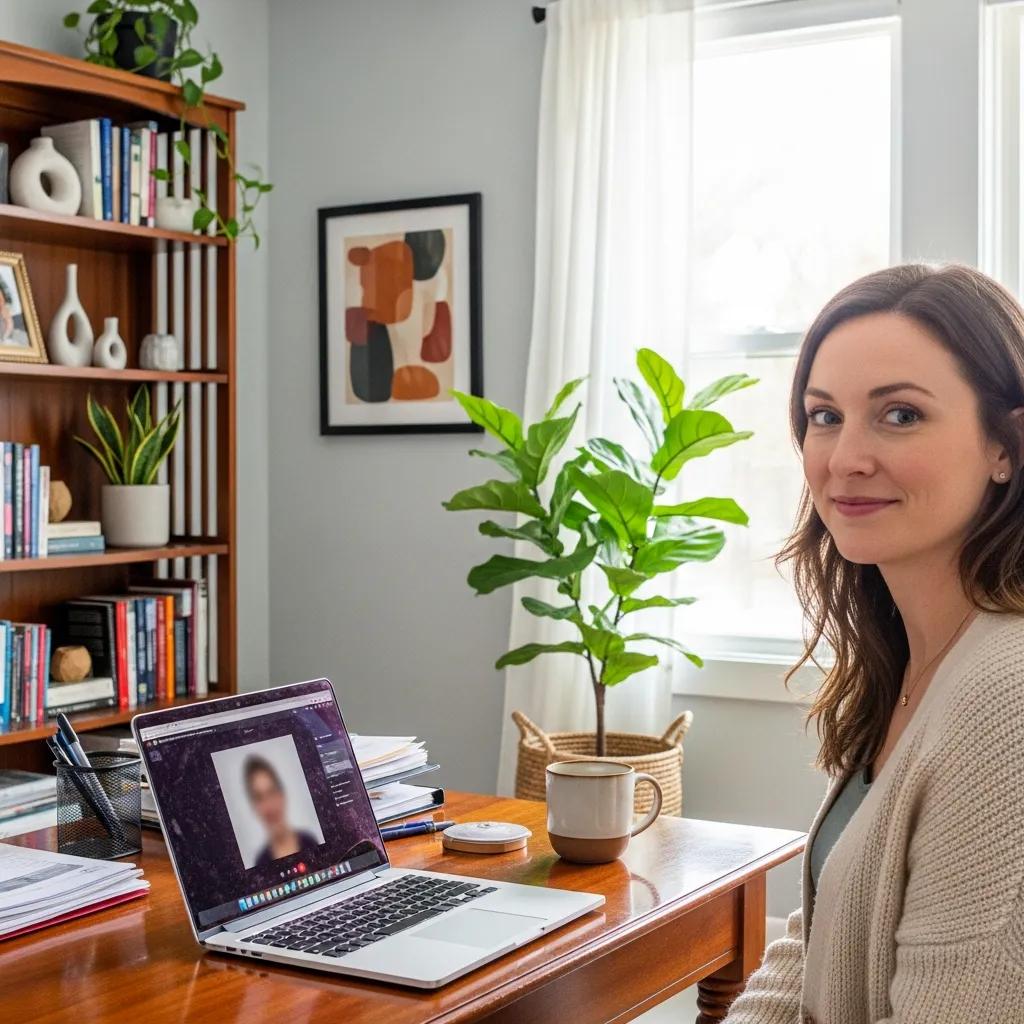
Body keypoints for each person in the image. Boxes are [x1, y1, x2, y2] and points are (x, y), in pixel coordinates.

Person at [722, 263, 1024, 1024]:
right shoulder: (912, 657)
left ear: (1007, 447)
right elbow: (817, 935)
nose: (845, 458)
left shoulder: (1007, 696)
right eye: (825, 416)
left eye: (899, 416)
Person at [242, 754, 320, 867]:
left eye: (271, 792)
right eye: (259, 797)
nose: (269, 805)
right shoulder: (260, 863)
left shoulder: (310, 842)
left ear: (282, 795)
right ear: (255, 807)